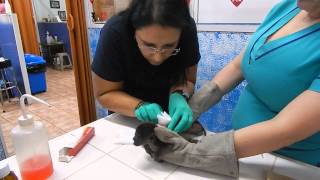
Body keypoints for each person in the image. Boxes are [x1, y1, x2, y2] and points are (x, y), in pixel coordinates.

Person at [145, 0, 320, 177]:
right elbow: (240, 65)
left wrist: (190, 152)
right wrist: (194, 107)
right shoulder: (288, 7)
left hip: (288, 163)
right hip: (246, 148)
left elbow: (285, 129)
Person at [92, 0, 200, 133]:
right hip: (127, 116)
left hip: (170, 116)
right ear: (133, 30)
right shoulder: (115, 32)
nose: (158, 58)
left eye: (169, 46)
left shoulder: (187, 29)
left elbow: (188, 80)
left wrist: (179, 95)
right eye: (149, 45)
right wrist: (139, 106)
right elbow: (105, 93)